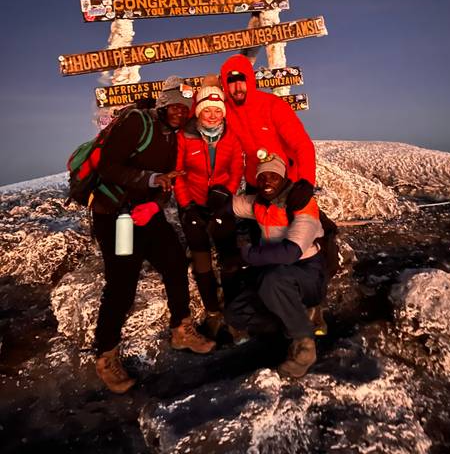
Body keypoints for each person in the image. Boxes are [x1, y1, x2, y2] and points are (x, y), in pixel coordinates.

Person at [91, 77, 215, 394]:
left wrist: (156, 201)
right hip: (116, 216)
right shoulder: (136, 122)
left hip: (146, 213)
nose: (179, 111)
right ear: (162, 103)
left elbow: (166, 181)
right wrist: (150, 180)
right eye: (174, 104)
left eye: (184, 107)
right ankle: (106, 356)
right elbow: (108, 167)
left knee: (174, 262)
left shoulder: (172, 135)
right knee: (122, 283)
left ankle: (181, 329)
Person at [223, 152, 328, 378]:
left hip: (307, 274)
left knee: (273, 280)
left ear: (283, 178)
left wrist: (244, 256)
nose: (267, 182)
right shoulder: (260, 202)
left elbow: (290, 253)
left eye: (273, 176)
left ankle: (304, 347)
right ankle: (298, 318)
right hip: (274, 273)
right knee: (236, 313)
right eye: (262, 177)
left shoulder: (302, 205)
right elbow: (230, 205)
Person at [174, 75, 244, 338]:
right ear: (199, 112)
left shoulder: (231, 137)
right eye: (208, 110)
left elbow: (237, 167)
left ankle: (235, 313)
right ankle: (213, 313)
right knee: (202, 261)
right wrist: (187, 207)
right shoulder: (185, 137)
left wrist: (226, 191)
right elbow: (178, 172)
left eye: (218, 111)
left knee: (229, 258)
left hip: (220, 203)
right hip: (193, 205)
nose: (213, 116)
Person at [220, 54, 316, 212]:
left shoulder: (273, 105)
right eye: (231, 82)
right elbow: (200, 113)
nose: (237, 88)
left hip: (285, 179)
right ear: (225, 84)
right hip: (255, 181)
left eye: (242, 80)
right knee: (258, 231)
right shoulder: (225, 111)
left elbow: (302, 144)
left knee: (303, 226)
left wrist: (306, 181)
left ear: (250, 79)